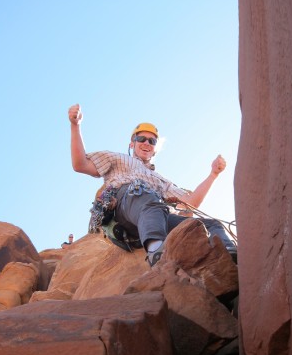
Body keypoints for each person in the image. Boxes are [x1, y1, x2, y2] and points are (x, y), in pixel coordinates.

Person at [68, 104, 237, 266]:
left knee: (209, 224)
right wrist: (76, 125)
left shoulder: (159, 179)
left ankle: (230, 255)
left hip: (152, 214)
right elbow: (80, 164)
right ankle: (157, 254)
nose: (147, 143)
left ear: (155, 149)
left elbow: (190, 202)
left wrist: (213, 174)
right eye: (141, 138)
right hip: (125, 208)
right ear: (131, 144)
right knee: (143, 194)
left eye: (152, 141)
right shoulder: (118, 158)